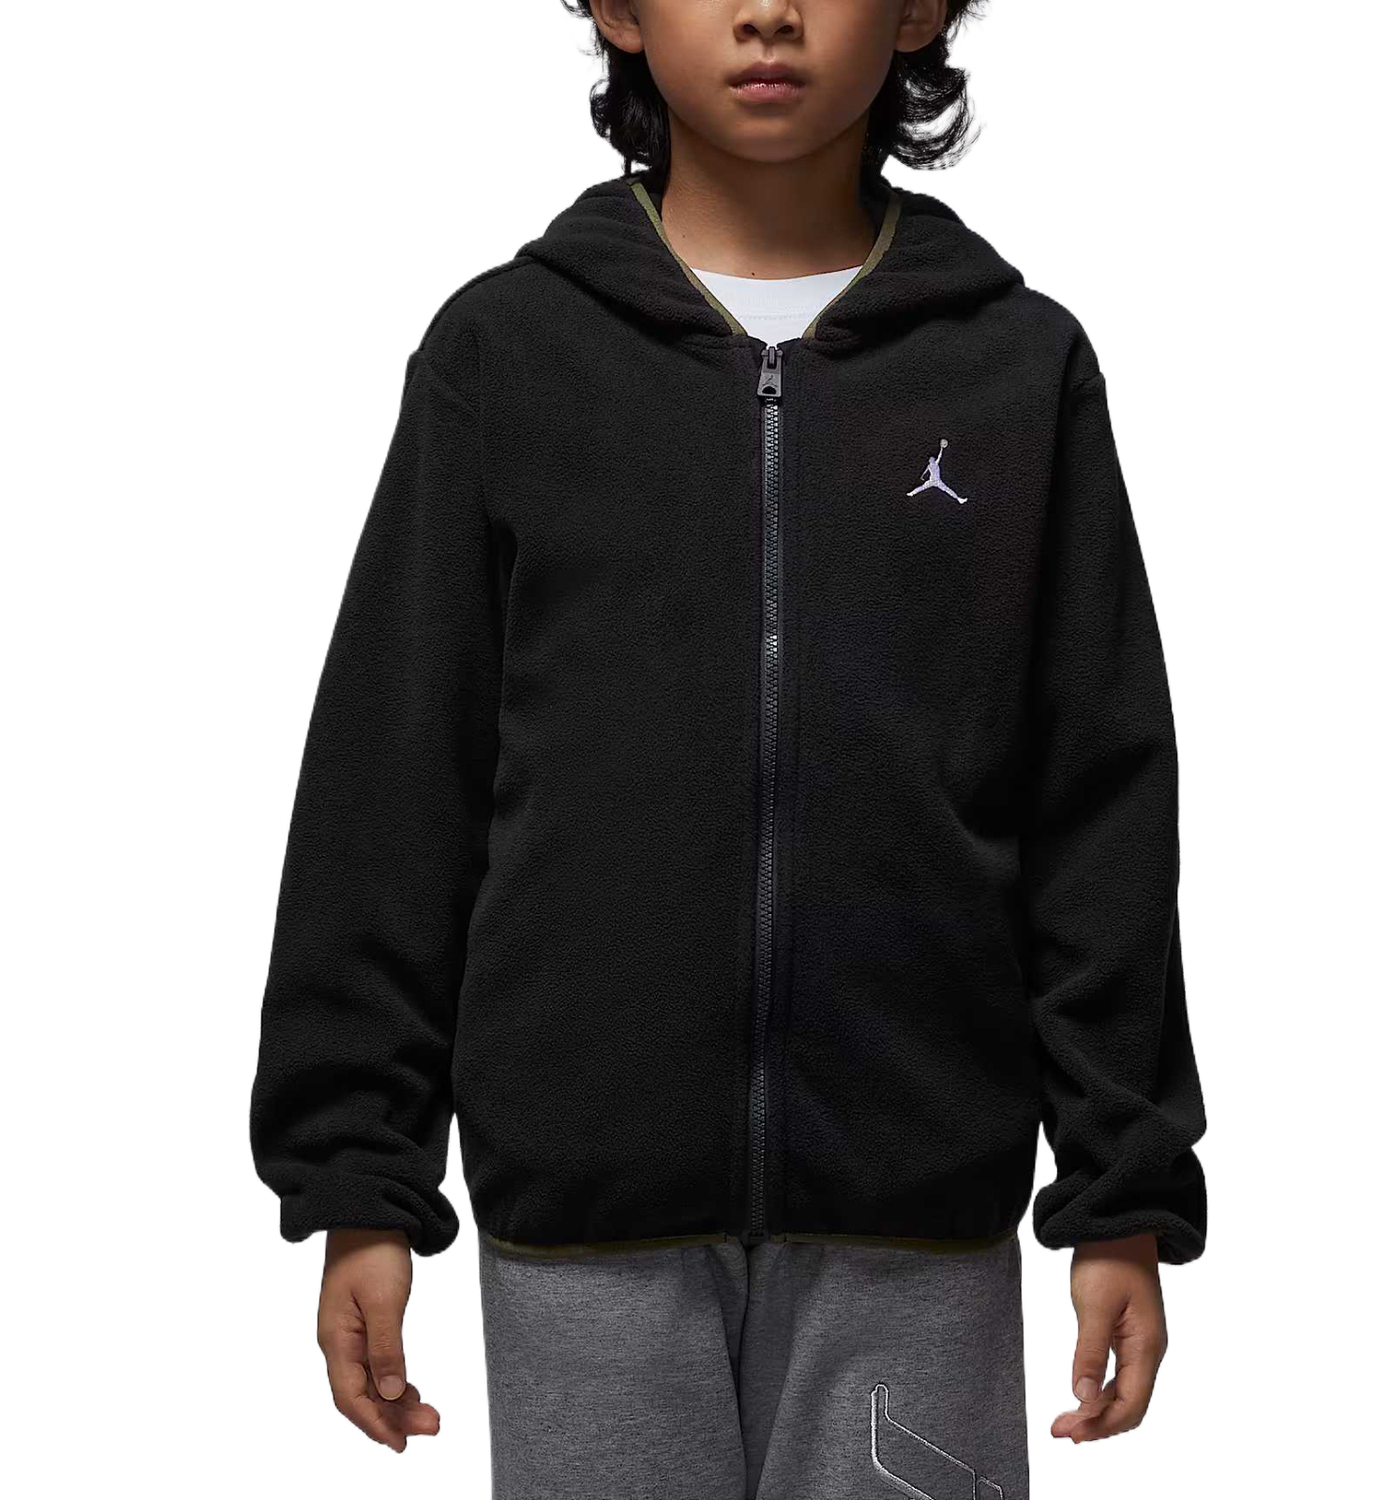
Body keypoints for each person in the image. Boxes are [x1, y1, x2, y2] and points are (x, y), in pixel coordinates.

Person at [249, 2, 1208, 1495]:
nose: (767, 9)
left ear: (920, 9)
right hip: (586, 1224)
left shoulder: (1018, 371)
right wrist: (359, 1174)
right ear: (619, 10)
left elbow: (1098, 798)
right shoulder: (507, 355)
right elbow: (394, 778)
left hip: (917, 1220)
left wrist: (1120, 1188)